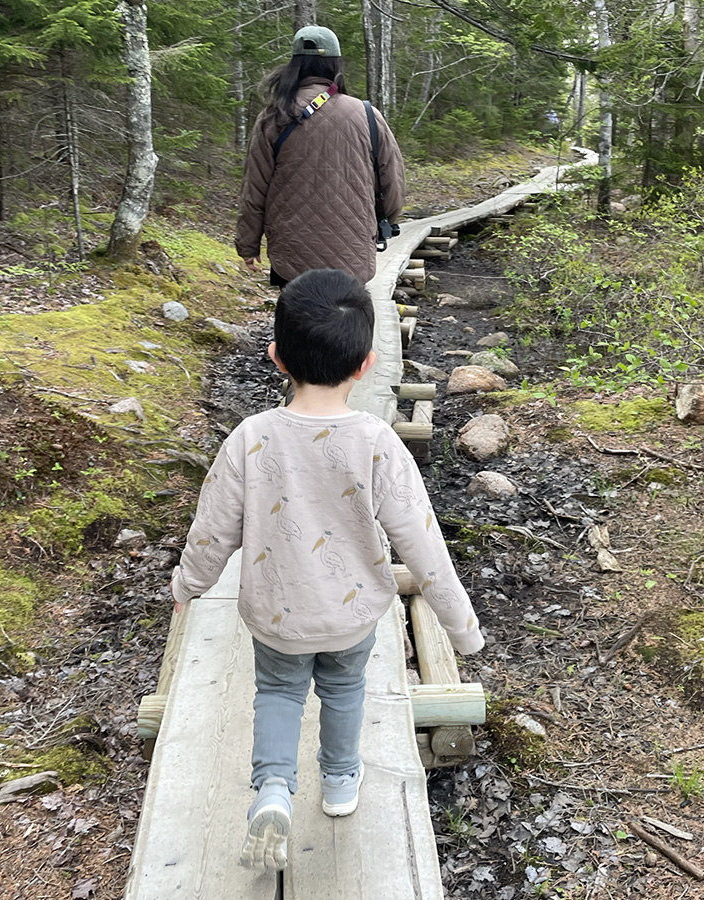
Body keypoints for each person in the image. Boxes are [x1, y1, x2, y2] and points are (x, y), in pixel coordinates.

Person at [170, 269, 484, 872]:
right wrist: (462, 628)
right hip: (351, 614)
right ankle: (340, 782)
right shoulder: (376, 442)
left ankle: (272, 791)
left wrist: (189, 585)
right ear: (366, 364)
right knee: (343, 690)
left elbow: (212, 530)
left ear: (275, 356)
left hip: (277, 614)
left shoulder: (250, 438)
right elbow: (421, 542)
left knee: (279, 693)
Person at [235, 26, 406, 288]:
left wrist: (248, 244)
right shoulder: (368, 115)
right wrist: (385, 220)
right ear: (335, 63)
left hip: (292, 254)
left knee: (297, 322)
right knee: (346, 321)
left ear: (294, 64)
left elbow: (254, 189)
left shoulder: (274, 117)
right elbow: (391, 183)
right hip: (353, 249)